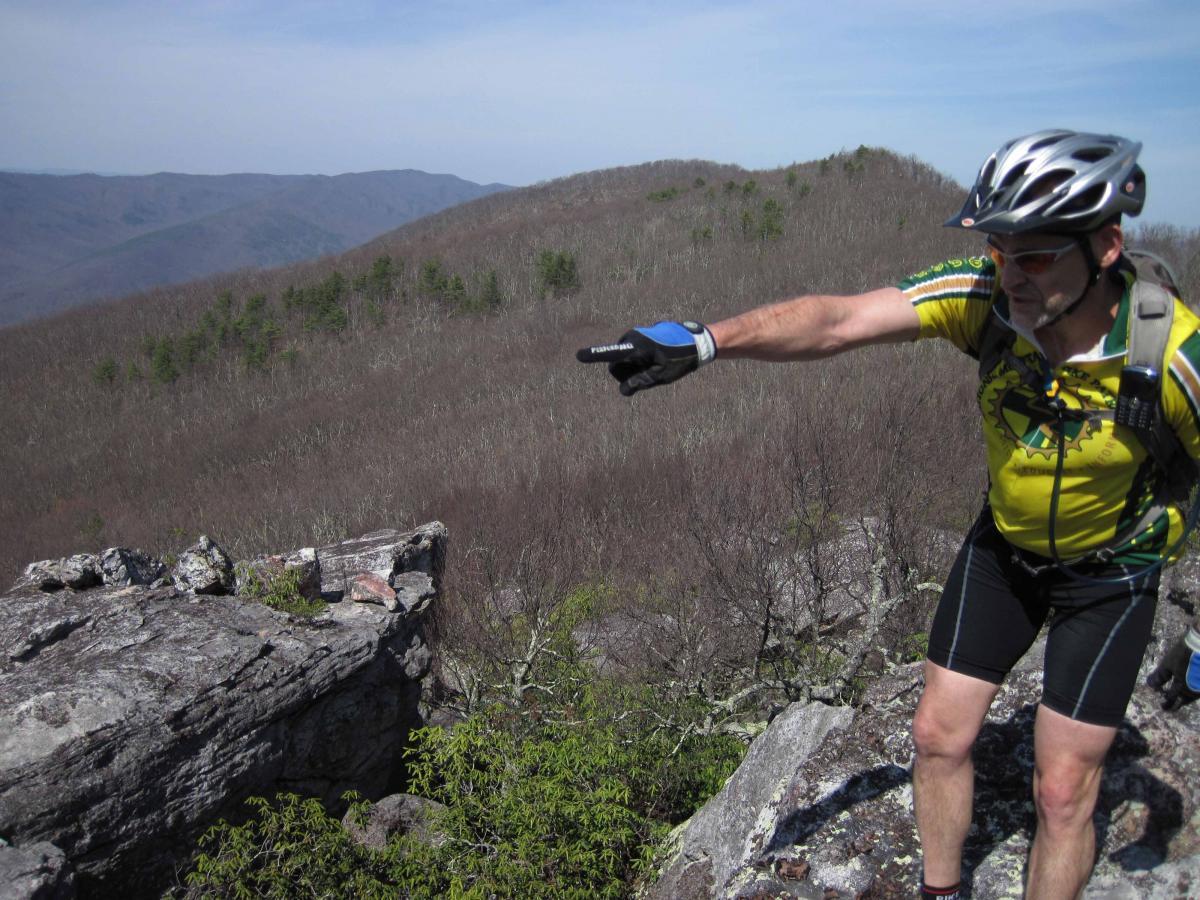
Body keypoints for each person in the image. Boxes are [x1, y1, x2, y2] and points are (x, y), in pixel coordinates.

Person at [577, 129, 1200, 899]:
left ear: (1106, 245)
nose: (1012, 275)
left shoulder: (1168, 355)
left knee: (1063, 791)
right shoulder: (986, 299)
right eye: (1002, 251)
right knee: (938, 736)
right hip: (1006, 546)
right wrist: (709, 342)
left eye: (1036, 255)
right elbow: (839, 320)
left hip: (1113, 572)